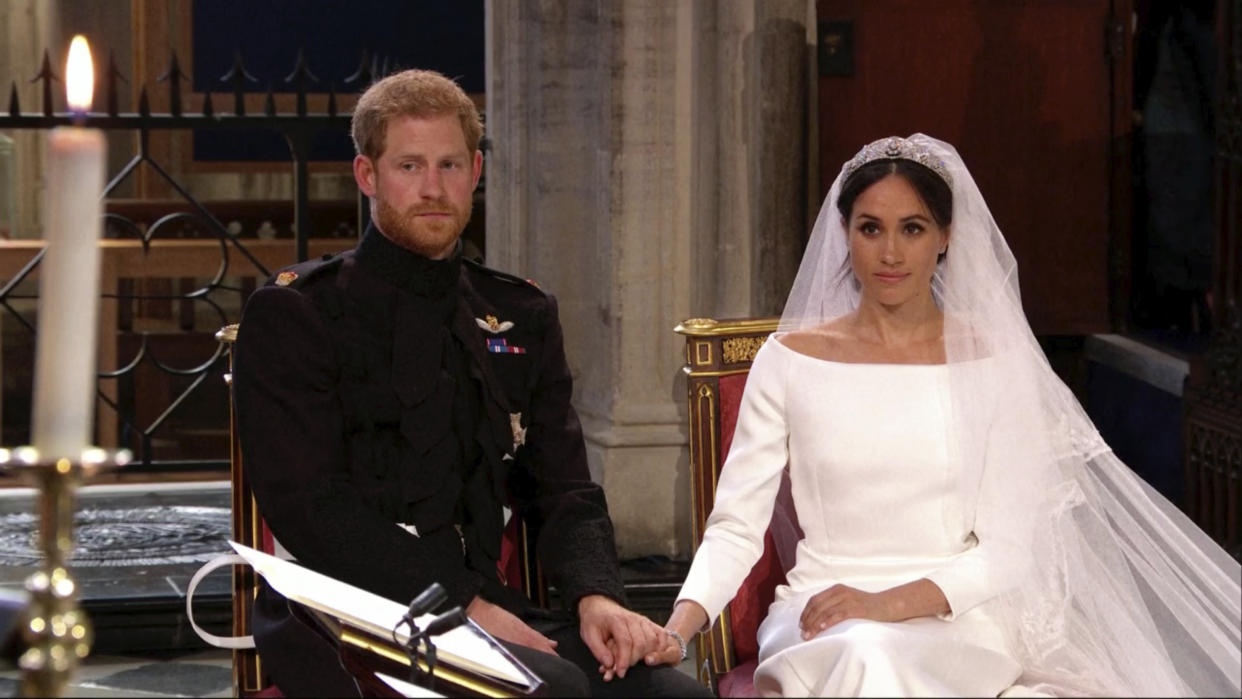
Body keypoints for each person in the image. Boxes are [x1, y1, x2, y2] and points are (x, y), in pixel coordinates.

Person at [646, 134, 1242, 696]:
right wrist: (678, 629)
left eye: (912, 228)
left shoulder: (994, 362)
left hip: (958, 616)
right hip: (819, 612)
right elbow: (736, 526)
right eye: (870, 228)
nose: (889, 252)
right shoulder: (788, 361)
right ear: (845, 234)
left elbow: (1009, 549)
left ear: (946, 236)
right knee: (862, 653)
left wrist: (885, 603)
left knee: (874, 653)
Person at [233, 69, 709, 698]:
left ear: (476, 174)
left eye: (450, 166)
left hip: (492, 606)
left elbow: (564, 487)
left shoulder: (520, 313)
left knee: (678, 696)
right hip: (349, 615)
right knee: (553, 689)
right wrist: (461, 604)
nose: (433, 188)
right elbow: (315, 513)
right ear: (367, 176)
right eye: (409, 166)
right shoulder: (299, 314)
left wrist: (598, 596)